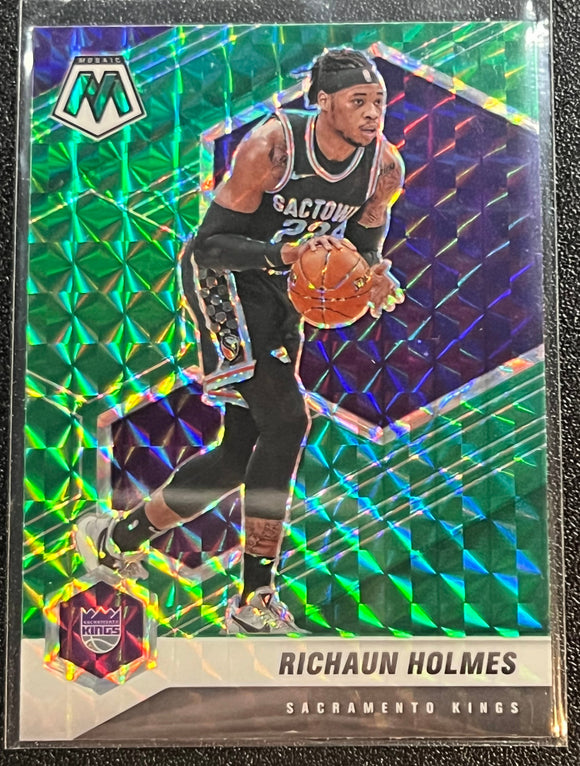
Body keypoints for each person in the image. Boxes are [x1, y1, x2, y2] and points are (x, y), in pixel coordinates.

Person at [76, 47, 405, 635]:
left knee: (238, 455)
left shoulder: (383, 166)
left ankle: (117, 538)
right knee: (289, 420)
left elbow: (364, 248)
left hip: (282, 289)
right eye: (358, 101)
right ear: (323, 102)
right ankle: (255, 598)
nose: (372, 113)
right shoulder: (273, 146)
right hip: (223, 281)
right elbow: (209, 247)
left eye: (378, 101)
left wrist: (374, 276)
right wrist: (285, 252)